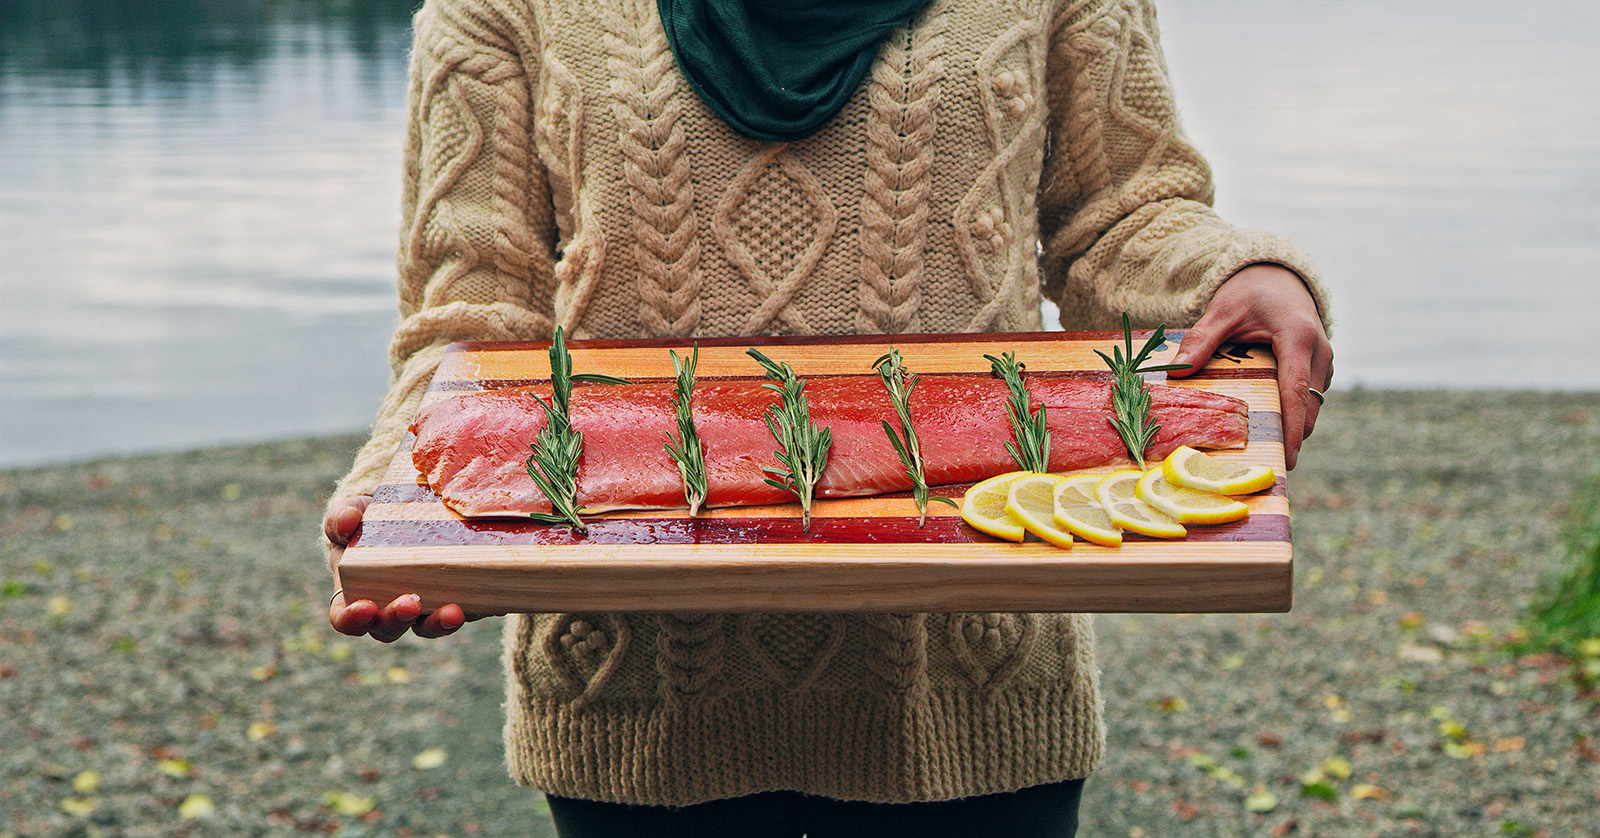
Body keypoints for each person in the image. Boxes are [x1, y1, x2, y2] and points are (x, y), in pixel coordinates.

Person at [324, 0, 1334, 834]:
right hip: (640, 692)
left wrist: (1235, 270)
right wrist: (401, 500)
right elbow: (470, 320)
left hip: (963, 686)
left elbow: (1118, 216)